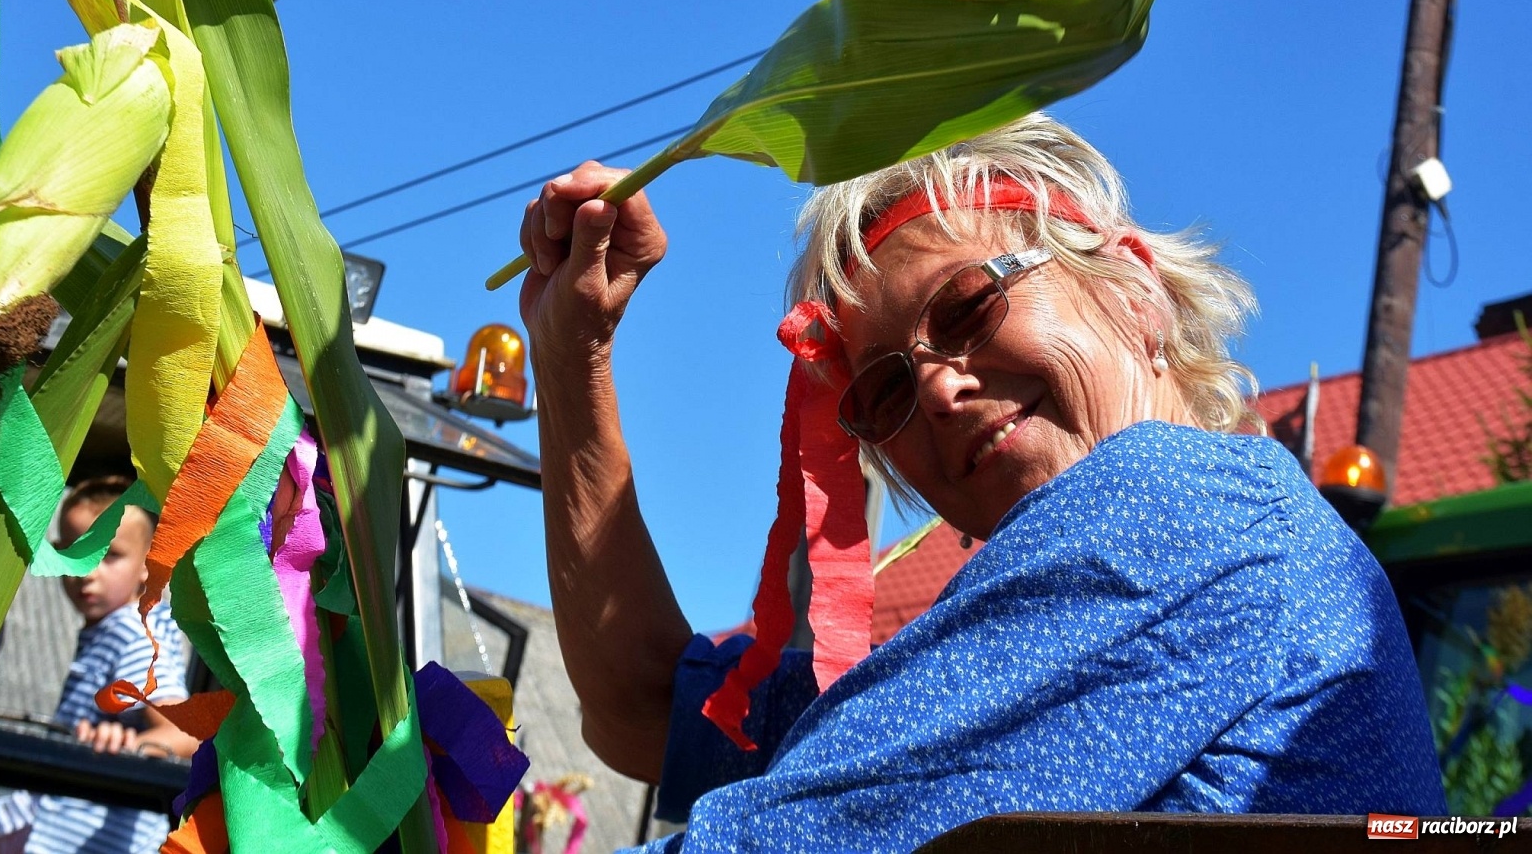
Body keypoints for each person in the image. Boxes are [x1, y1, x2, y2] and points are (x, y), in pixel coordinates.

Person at [517, 114, 1447, 853]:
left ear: (1132, 290)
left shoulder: (1176, 504)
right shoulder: (1046, 644)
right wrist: (571, 350)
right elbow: (642, 707)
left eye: (968, 305)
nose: (935, 385)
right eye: (883, 387)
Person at [0, 477, 197, 854]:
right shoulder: (111, 629)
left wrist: (133, 745)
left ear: (149, 562)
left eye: (108, 555)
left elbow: (183, 732)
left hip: (95, 838)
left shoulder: (132, 633)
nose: (87, 572)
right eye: (75, 554)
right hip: (66, 827)